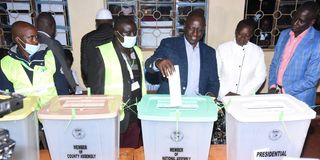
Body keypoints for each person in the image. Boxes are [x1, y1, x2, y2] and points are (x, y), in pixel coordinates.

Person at [95, 16, 146, 148]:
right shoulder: (102, 52)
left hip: (135, 112)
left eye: (134, 33)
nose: (131, 36)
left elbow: (140, 81)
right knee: (113, 151)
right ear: (115, 32)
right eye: (127, 33)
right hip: (114, 113)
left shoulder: (137, 51)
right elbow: (97, 88)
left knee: (131, 150)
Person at [145, 9, 219, 97]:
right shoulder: (169, 44)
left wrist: (209, 96)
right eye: (192, 28)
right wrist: (158, 62)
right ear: (185, 26)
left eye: (200, 30)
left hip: (198, 105)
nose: (195, 33)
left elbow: (214, 82)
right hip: (170, 103)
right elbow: (148, 64)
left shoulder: (209, 52)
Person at [0, 21, 69, 107]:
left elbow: (62, 87)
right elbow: (6, 98)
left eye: (36, 37)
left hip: (51, 112)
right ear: (18, 40)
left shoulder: (49, 56)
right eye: (30, 37)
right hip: (26, 115)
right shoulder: (5, 64)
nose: (35, 41)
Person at [269, 1, 320, 107]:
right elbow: (275, 63)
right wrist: (272, 85)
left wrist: (284, 90)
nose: (295, 23)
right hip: (276, 92)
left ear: (311, 22)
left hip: (300, 99)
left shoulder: (317, 41)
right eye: (295, 17)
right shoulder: (284, 35)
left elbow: (311, 79)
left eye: (301, 21)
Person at [216, 19, 266, 100]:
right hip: (223, 97)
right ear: (236, 32)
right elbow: (216, 74)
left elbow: (260, 76)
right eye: (240, 34)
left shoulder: (257, 51)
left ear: (251, 35)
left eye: (247, 36)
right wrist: (225, 93)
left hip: (246, 98)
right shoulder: (222, 49)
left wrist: (242, 94)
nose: (242, 38)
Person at [36, 12, 78, 94]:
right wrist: (73, 86)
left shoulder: (32, 41)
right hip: (57, 88)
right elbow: (64, 68)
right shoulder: (53, 44)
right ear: (52, 26)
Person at [81, 8, 113, 92]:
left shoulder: (87, 38)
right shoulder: (118, 35)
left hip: (95, 83)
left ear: (96, 22)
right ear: (111, 22)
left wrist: (88, 83)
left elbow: (84, 65)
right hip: (116, 82)